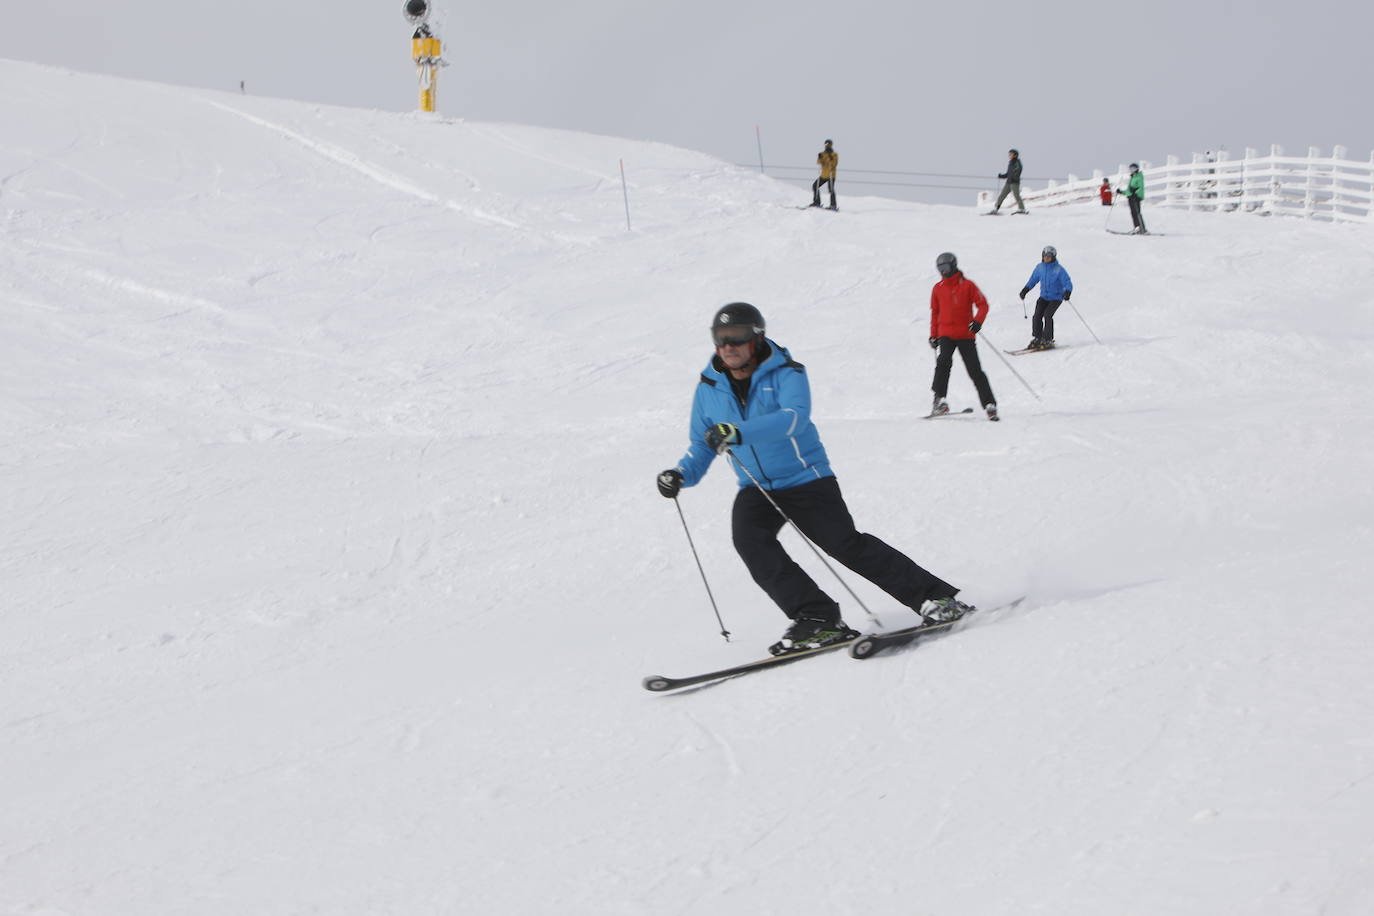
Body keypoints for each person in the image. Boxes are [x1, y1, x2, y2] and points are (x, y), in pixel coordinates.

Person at [656, 302, 972, 655]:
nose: (728, 346)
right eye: (720, 338)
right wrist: (681, 474)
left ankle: (936, 598)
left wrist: (738, 432)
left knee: (844, 544)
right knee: (751, 543)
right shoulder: (708, 388)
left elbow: (794, 419)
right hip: (756, 486)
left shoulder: (788, 372)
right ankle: (818, 618)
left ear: (757, 338)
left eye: (737, 336)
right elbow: (703, 443)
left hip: (806, 478)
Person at [930, 253, 998, 421]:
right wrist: (934, 335)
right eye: (940, 269)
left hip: (965, 334)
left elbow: (983, 305)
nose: (943, 272)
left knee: (974, 370)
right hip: (945, 334)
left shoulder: (968, 285)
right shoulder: (938, 288)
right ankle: (939, 401)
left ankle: (989, 404)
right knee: (943, 363)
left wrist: (977, 322)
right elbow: (935, 313)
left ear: (953, 266)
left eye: (945, 268)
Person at [1018, 245, 1074, 350]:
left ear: (1053, 257)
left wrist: (1067, 292)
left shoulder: (1059, 269)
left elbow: (1067, 282)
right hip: (1044, 297)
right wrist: (1025, 290)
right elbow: (1033, 280)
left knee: (1047, 315)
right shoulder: (1040, 268)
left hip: (1056, 298)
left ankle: (1048, 339)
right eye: (1045, 256)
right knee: (1037, 315)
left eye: (1049, 256)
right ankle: (1038, 338)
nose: (1047, 258)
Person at [990, 148, 1026, 214]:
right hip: (1008, 183)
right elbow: (1008, 174)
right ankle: (996, 209)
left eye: (1011, 154)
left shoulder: (1017, 163)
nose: (1009, 155)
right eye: (1009, 154)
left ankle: (1022, 209)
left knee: (1016, 195)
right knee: (1002, 195)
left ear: (1015, 155)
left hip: (1014, 183)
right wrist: (1002, 176)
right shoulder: (1010, 163)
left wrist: (1013, 178)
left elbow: (1018, 172)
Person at [1118, 163, 1148, 234]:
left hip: (1136, 198)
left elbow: (1141, 188)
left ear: (1137, 169)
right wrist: (1121, 192)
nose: (1132, 170)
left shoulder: (1139, 177)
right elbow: (1129, 190)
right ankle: (1137, 228)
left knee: (1137, 213)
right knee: (1133, 213)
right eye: (1131, 169)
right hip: (1131, 198)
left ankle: (1142, 229)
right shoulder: (1132, 177)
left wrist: (1136, 194)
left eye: (1134, 168)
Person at [810, 139, 838, 210]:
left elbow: (834, 164)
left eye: (828, 144)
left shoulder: (834, 154)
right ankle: (817, 202)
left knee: (831, 189)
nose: (827, 146)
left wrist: (830, 157)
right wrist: (819, 158)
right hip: (823, 175)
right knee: (815, 186)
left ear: (831, 145)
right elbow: (819, 163)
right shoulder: (823, 153)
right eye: (826, 144)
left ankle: (833, 205)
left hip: (831, 175)